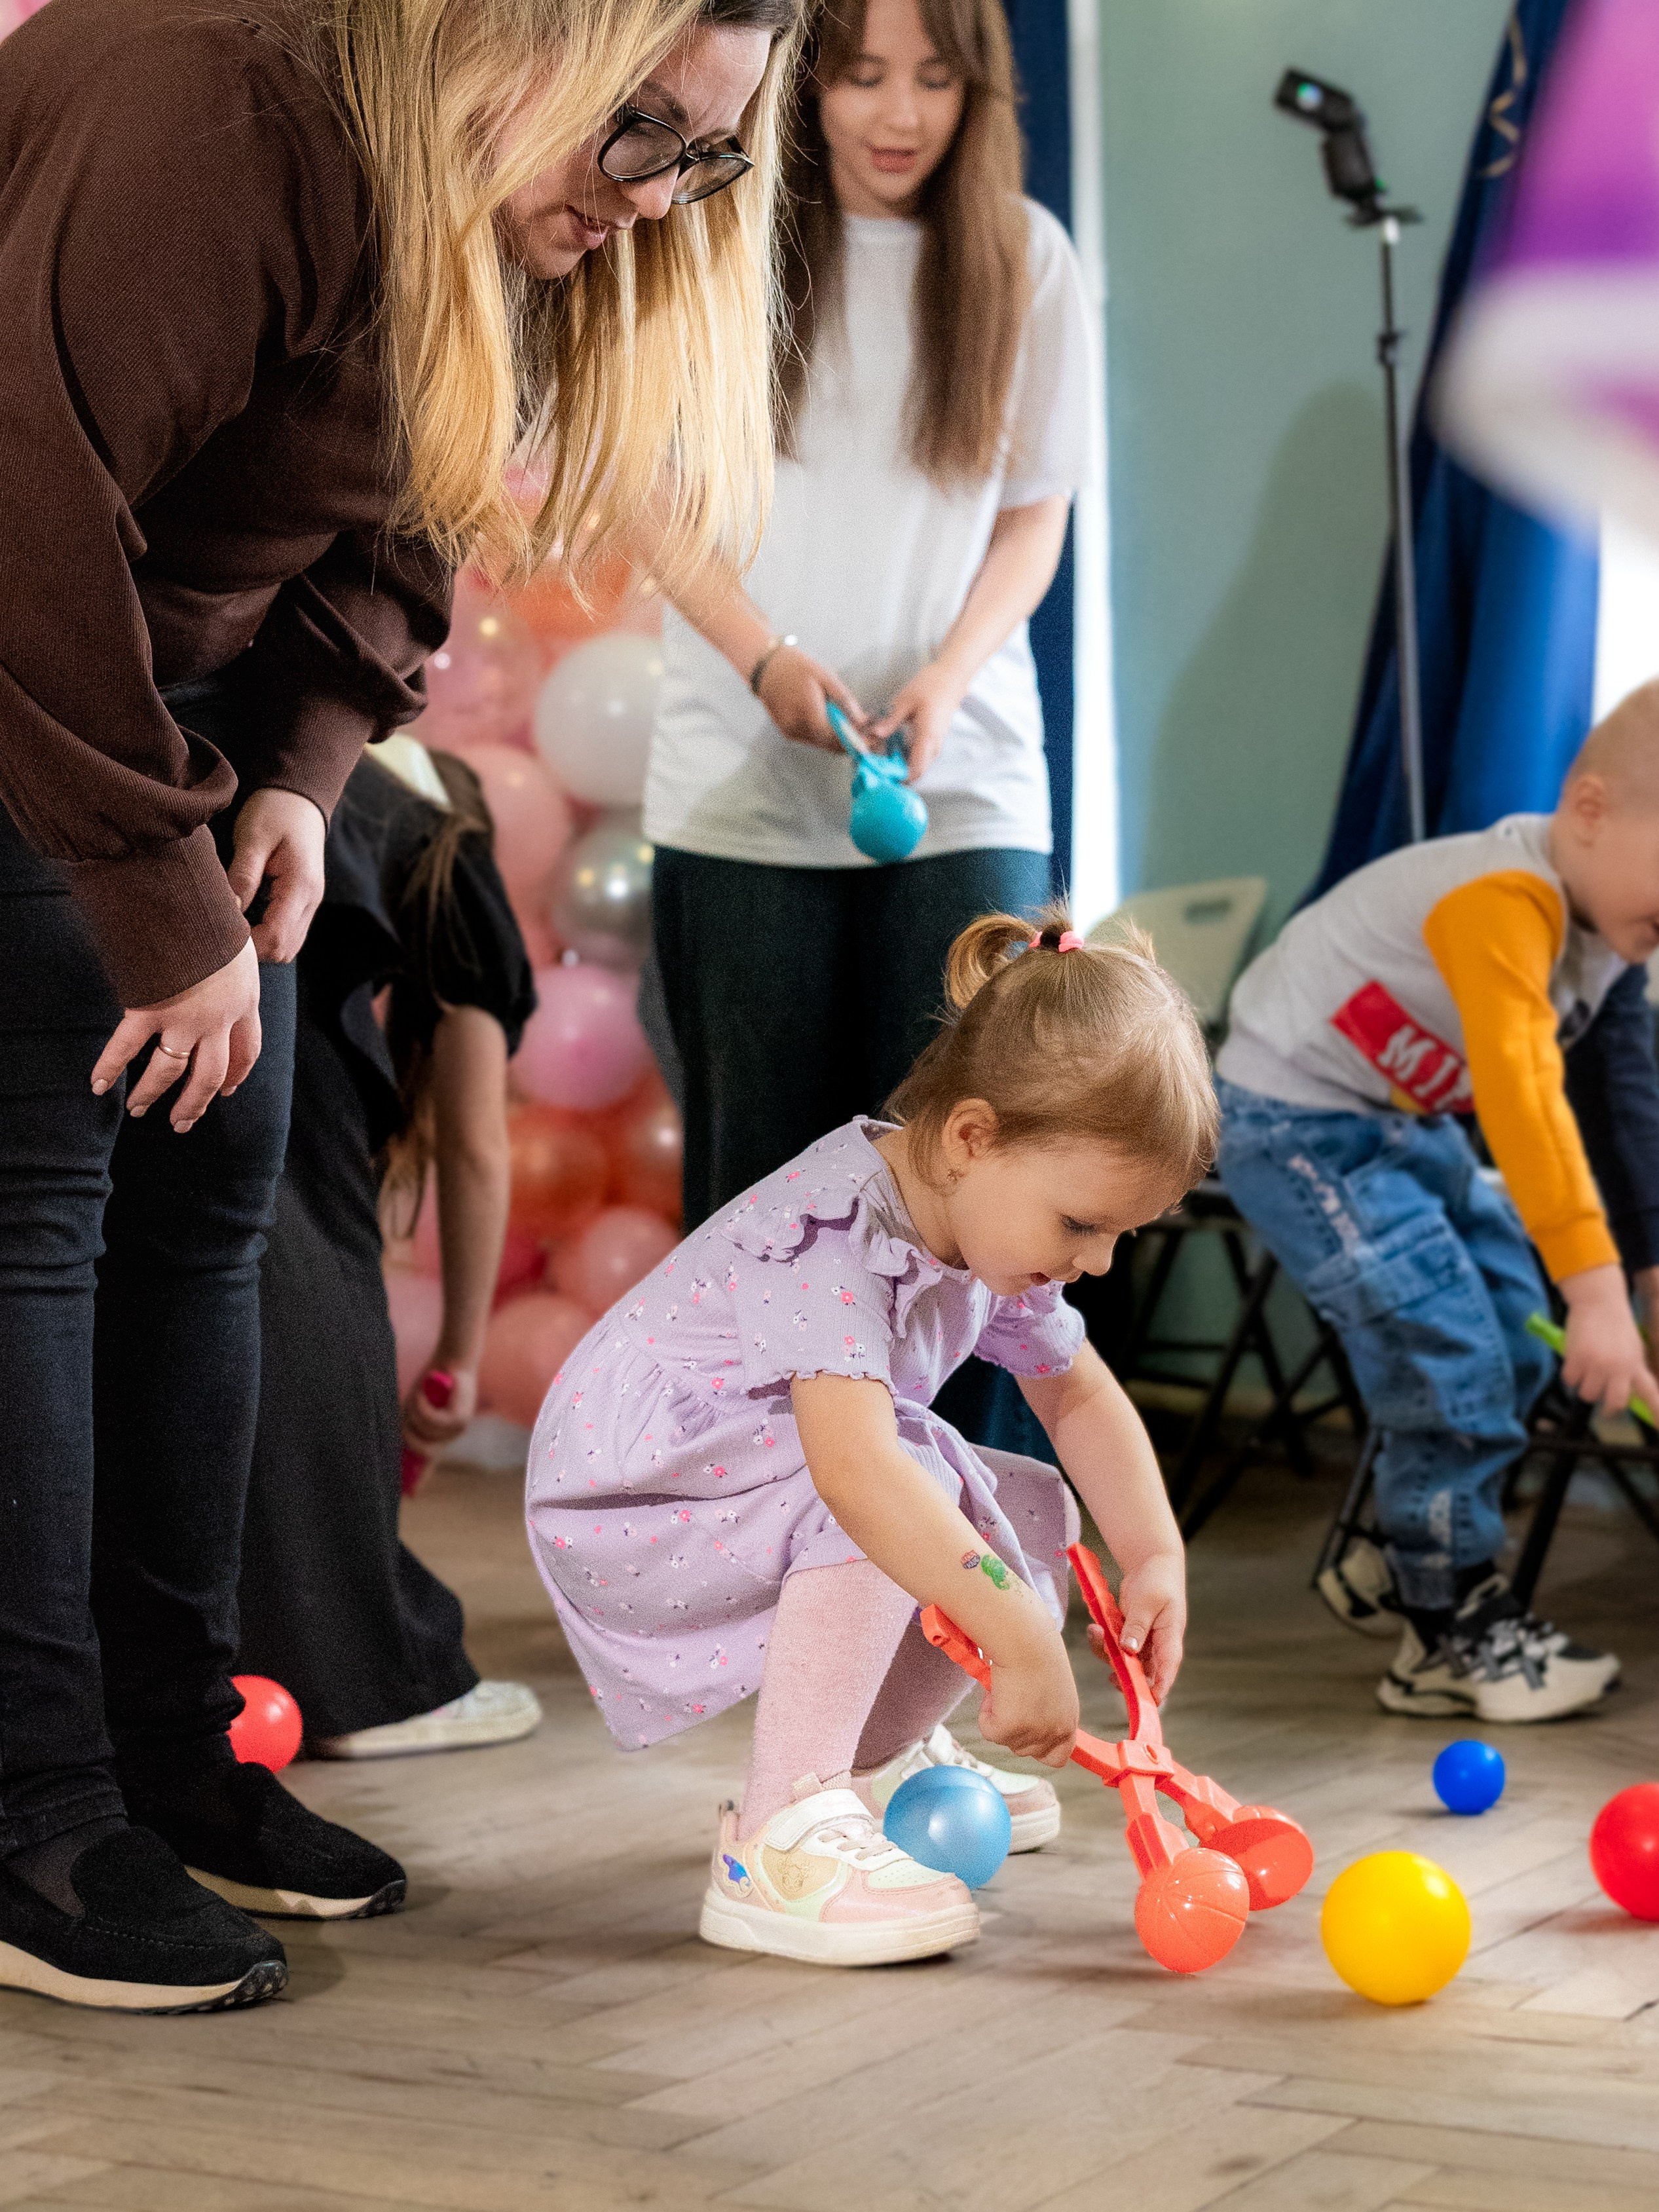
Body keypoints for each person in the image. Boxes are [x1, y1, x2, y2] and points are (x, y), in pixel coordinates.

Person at [0, 0, 800, 2012]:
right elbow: (22, 497)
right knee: (36, 1228)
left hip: (165, 693)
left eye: (703, 155)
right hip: (28, 651)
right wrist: (140, 873)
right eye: (639, 129)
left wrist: (291, 767)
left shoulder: (497, 211)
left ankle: (181, 1757)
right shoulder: (223, 106)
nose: (653, 200)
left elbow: (400, 518)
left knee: (224, 1214)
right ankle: (31, 1815)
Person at [527, 914, 1216, 1966]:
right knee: (898, 1472)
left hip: (742, 1471)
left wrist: (1154, 1552)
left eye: (1121, 1234)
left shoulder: (980, 1226)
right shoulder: (837, 1229)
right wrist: (1023, 1637)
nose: (1100, 1262)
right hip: (630, 1485)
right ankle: (778, 1839)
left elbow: (1077, 1396)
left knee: (1023, 1504)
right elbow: (853, 1473)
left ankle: (872, 1763)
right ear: (971, 1136)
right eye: (1082, 1224)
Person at [644, 0, 1098, 1234]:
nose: (900, 115)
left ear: (978, 94)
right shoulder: (707, 233)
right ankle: (779, 1444)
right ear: (801, 83)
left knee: (981, 1187)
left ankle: (969, 1444)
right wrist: (766, 662)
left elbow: (1032, 518)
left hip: (966, 784)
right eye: (862, 77)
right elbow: (651, 496)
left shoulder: (1027, 256)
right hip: (739, 794)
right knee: (763, 1202)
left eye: (934, 80)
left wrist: (947, 678)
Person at [1216, 684, 1659, 1724]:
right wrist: (1596, 1294)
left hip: (1396, 1121)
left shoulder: (1610, 930)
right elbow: (1521, 1094)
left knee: (1512, 1332)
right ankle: (1444, 1629)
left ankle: (1395, 1546)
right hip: (1292, 1119)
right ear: (1589, 810)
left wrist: (1628, 1279)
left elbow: (1617, 1098)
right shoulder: (1501, 898)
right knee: (1446, 1352)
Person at [236, 737, 542, 1762]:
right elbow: (474, 1143)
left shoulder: (333, 768)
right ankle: (368, 1680)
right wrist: (458, 1352)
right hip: (269, 982)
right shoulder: (452, 860)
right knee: (310, 1262)